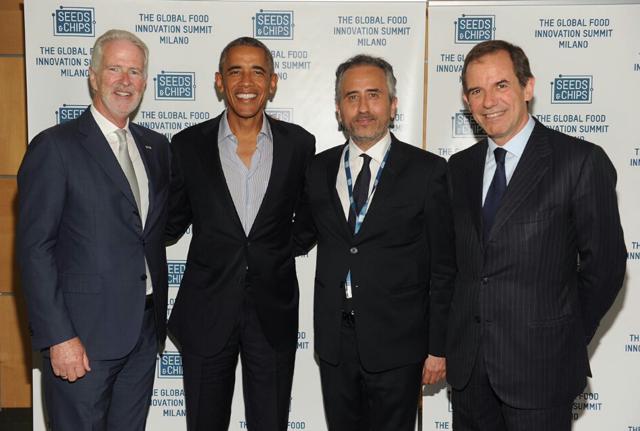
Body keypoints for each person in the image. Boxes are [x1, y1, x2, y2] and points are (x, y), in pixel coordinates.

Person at [446, 39, 626, 430]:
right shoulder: (458, 169)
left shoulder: (579, 161)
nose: (488, 101)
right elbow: (458, 267)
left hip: (542, 369)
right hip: (470, 373)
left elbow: (607, 267)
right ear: (466, 100)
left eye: (501, 85)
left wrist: (564, 335)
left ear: (528, 87)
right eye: (476, 91)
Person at [17, 29, 170, 430]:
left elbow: (150, 231)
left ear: (145, 81)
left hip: (142, 332)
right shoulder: (55, 147)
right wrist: (58, 337)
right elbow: (35, 249)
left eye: (135, 72)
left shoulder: (156, 147)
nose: (125, 81)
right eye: (115, 69)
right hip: (81, 339)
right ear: (93, 75)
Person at [294, 54, 456, 431]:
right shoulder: (318, 169)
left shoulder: (428, 171)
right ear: (338, 109)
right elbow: (297, 236)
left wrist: (438, 347)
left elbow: (444, 268)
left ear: (393, 104)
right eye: (352, 97)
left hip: (399, 343)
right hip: (335, 342)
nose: (363, 108)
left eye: (374, 95)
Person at [166, 36, 315, 431]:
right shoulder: (187, 145)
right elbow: (171, 222)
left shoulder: (299, 144)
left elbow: (311, 218)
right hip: (206, 310)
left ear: (272, 82)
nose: (246, 82)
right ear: (220, 81)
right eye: (235, 71)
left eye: (257, 72)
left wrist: (275, 251)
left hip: (273, 312)